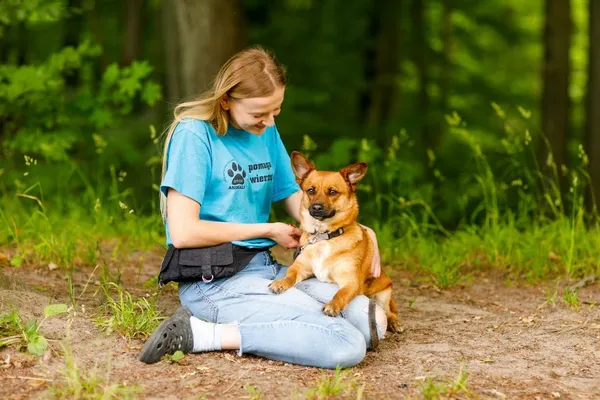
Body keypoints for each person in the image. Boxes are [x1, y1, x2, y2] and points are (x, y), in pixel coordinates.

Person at [139, 46, 389, 369]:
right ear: (226, 100)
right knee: (348, 342)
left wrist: (358, 230)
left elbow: (300, 200)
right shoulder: (194, 135)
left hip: (264, 270)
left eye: (276, 111)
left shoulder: (265, 133)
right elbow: (184, 232)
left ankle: (255, 323)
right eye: (260, 113)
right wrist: (266, 229)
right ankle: (202, 333)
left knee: (367, 317)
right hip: (216, 279)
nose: (269, 122)